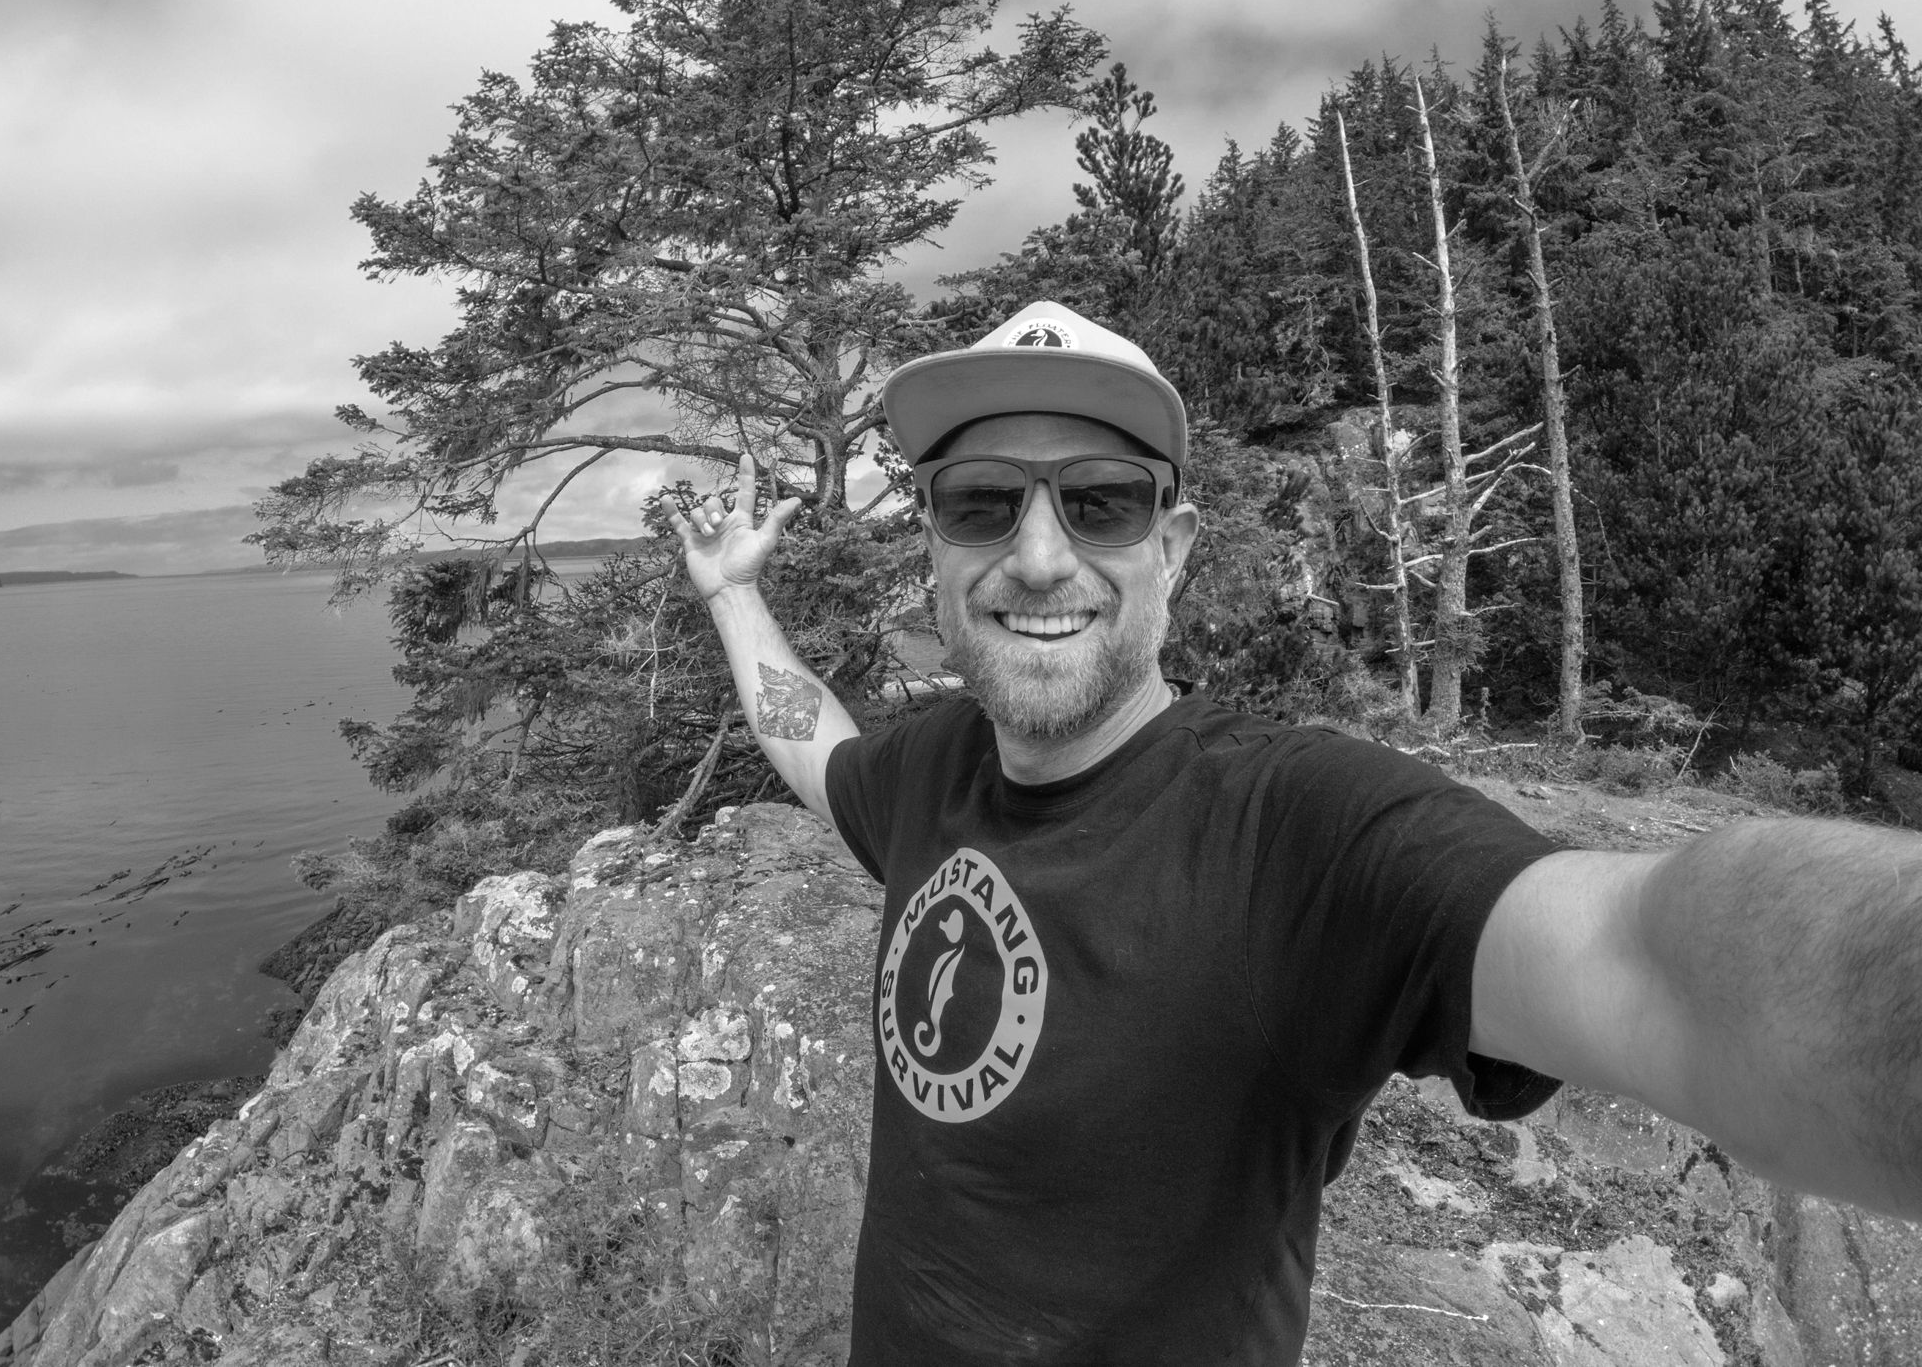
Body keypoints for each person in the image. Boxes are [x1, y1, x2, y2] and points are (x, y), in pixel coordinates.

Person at [674, 300, 1922, 1366]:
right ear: (936, 551)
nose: (1040, 554)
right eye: (983, 503)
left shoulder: (1297, 833)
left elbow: (1656, 965)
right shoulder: (933, 767)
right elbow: (814, 743)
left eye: (1100, 502)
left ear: (1173, 548)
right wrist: (734, 595)